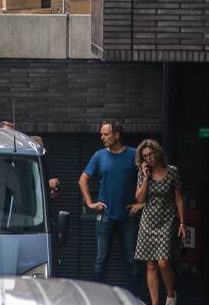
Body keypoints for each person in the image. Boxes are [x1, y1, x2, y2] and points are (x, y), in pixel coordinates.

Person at [79, 120, 143, 290]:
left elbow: (148, 178)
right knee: (101, 259)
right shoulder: (99, 156)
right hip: (105, 215)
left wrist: (141, 203)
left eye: (106, 134)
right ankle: (99, 297)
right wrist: (90, 203)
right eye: (101, 133)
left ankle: (134, 298)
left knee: (131, 260)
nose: (102, 137)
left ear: (117, 135)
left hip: (128, 216)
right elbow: (83, 180)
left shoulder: (134, 155)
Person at [134, 139, 185, 305]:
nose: (149, 158)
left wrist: (182, 222)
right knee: (151, 266)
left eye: (151, 154)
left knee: (163, 262)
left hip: (166, 221)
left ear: (157, 153)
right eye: (145, 156)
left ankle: (171, 294)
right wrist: (146, 177)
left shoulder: (172, 172)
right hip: (148, 221)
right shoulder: (143, 174)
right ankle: (155, 303)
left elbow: (178, 199)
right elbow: (139, 198)